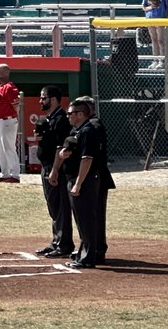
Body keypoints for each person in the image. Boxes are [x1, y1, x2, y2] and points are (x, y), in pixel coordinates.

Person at [51, 96, 114, 269]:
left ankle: (88, 257)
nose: (68, 116)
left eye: (70, 113)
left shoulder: (88, 130)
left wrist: (78, 183)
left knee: (86, 219)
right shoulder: (78, 130)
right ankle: (85, 253)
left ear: (80, 114)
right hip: (77, 178)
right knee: (82, 219)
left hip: (86, 180)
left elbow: (87, 159)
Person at [33, 86, 75, 260]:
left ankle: (64, 244)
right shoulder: (49, 119)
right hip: (47, 166)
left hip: (56, 168)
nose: (41, 101)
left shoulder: (61, 120)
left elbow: (60, 148)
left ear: (53, 99)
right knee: (53, 206)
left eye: (44, 98)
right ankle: (57, 241)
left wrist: (55, 170)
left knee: (60, 206)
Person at [0, 64, 21, 183]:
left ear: (6, 73)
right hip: (0, 121)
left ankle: (15, 175)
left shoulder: (9, 87)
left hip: (8, 120)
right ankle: (5, 174)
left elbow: (16, 104)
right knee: (1, 150)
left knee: (9, 148)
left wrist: (15, 118)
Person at [144, 0, 168, 69]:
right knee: (153, 40)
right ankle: (155, 60)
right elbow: (144, 7)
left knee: (160, 40)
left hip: (160, 18)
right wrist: (151, 7)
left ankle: (162, 61)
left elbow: (167, 5)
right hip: (150, 18)